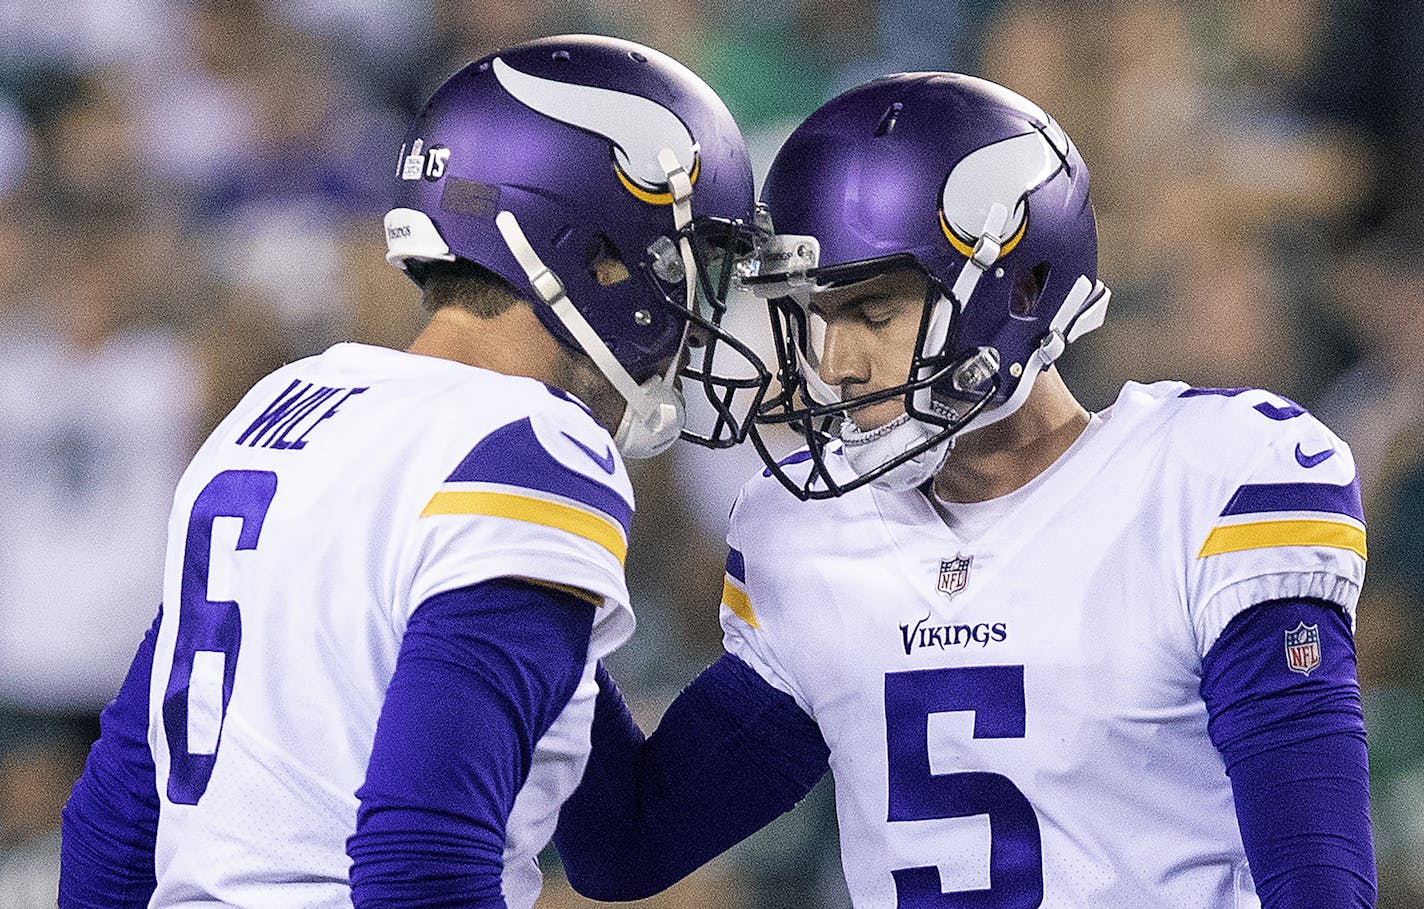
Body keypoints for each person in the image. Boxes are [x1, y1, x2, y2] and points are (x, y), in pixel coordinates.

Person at [553, 74, 1377, 906]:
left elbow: (1318, 882)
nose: (836, 363)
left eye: (871, 314)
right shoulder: (809, 531)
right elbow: (628, 841)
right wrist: (542, 581)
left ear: (1018, 292)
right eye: (815, 316)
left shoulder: (1204, 484)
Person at [58, 34, 767, 909]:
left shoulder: (279, 404)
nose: (693, 313)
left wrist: (809, 666)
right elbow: (421, 858)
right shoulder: (533, 446)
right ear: (596, 257)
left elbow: (117, 820)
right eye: (678, 265)